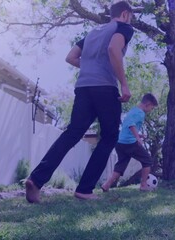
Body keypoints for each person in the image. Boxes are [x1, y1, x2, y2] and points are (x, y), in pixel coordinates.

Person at [25, 1, 134, 203]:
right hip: (105, 87)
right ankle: (84, 189)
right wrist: (124, 84)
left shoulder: (93, 32)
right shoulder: (124, 27)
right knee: (110, 137)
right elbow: (113, 49)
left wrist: (92, 65)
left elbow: (71, 57)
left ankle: (36, 179)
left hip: (83, 87)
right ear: (125, 14)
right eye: (131, 16)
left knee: (73, 133)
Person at [101, 93, 158, 192]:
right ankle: (143, 185)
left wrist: (138, 135)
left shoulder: (133, 111)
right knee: (147, 161)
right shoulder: (140, 113)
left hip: (120, 143)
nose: (150, 110)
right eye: (152, 108)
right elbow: (131, 124)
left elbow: (127, 125)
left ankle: (106, 185)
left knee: (120, 166)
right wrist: (137, 137)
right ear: (148, 104)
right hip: (130, 143)